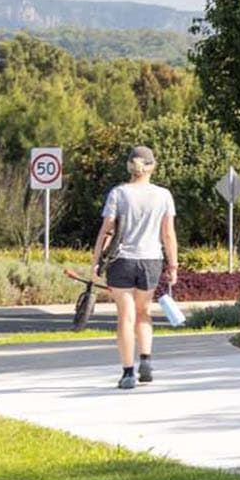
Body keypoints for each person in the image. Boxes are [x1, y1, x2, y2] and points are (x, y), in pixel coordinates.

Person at [91, 145, 177, 390]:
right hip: (151, 260)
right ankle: (146, 359)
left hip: (122, 261)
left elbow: (107, 230)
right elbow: (168, 234)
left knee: (125, 316)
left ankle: (128, 372)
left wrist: (96, 260)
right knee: (144, 312)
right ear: (152, 166)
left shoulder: (118, 194)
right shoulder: (163, 195)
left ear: (129, 166)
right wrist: (173, 265)